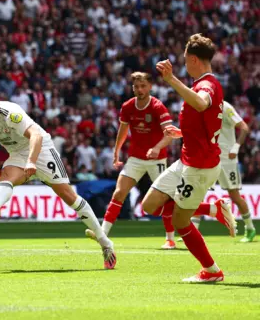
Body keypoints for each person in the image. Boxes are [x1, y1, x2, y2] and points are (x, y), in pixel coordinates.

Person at [0, 87, 117, 270]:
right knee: (6, 175)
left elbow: (35, 135)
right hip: (18, 154)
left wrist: (32, 161)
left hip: (42, 149)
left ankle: (105, 242)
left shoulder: (10, 112)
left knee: (68, 195)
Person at [142, 34, 236, 283]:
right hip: (186, 159)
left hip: (199, 166)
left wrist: (171, 79)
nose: (184, 65)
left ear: (194, 59)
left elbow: (203, 104)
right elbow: (206, 122)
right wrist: (182, 133)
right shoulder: (206, 84)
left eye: (185, 61)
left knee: (180, 220)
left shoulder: (207, 86)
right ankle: (213, 209)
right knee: (149, 205)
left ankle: (212, 271)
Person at [86, 72, 175, 248]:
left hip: (157, 159)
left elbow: (170, 133)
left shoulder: (158, 107)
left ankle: (170, 239)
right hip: (135, 158)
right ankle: (103, 235)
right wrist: (117, 151)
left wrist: (157, 147)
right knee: (119, 192)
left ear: (150, 87)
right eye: (136, 87)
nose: (140, 90)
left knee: (165, 198)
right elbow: (123, 130)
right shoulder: (127, 106)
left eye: (143, 86)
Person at [191, 101, 254, 242]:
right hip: (210, 158)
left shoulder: (225, 107)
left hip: (227, 159)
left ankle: (250, 228)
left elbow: (244, 127)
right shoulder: (201, 106)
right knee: (199, 193)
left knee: (235, 196)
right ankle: (193, 231)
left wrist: (236, 147)